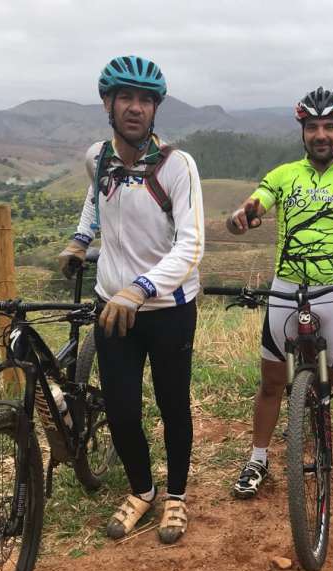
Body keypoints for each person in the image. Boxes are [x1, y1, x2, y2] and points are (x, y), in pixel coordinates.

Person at [57, 55, 205, 543]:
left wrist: (139, 289)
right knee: (121, 410)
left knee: (171, 405)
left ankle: (177, 497)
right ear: (108, 103)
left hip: (167, 309)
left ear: (156, 107)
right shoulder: (96, 157)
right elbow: (94, 199)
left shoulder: (177, 166)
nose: (136, 108)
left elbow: (191, 244)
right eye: (126, 98)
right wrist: (82, 239)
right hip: (111, 307)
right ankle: (142, 490)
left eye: (145, 100)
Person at [225, 87, 333, 509]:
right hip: (286, 290)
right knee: (271, 383)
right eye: (313, 126)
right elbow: (255, 204)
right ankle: (258, 459)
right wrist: (242, 217)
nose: (321, 134)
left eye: (329, 127)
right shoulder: (283, 176)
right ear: (303, 131)